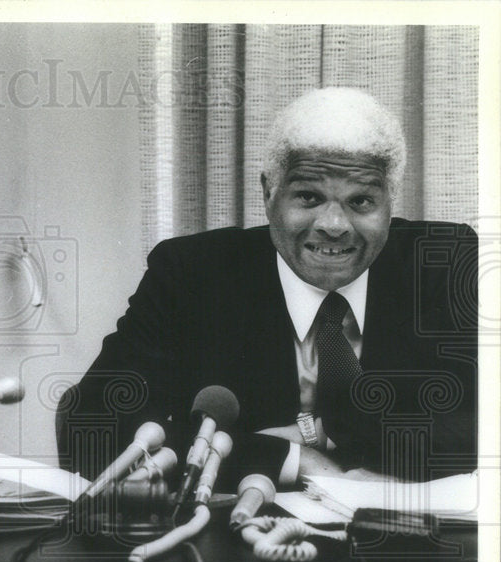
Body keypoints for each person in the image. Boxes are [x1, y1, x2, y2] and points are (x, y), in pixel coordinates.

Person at [58, 87, 477, 490]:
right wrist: (290, 459)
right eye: (309, 198)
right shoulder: (194, 273)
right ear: (268, 194)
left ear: (391, 201)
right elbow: (92, 422)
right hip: (232, 542)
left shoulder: (442, 262)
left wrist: (319, 432)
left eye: (361, 201)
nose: (334, 225)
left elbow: (482, 424)